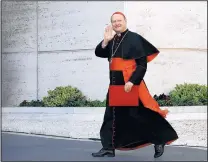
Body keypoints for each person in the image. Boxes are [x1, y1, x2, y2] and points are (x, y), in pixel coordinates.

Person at [92, 11, 178, 158]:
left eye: (119, 20)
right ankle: (108, 147)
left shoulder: (135, 39)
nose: (117, 23)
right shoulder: (111, 39)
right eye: (114, 21)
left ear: (125, 21)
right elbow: (99, 53)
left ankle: (160, 139)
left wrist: (132, 81)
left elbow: (142, 65)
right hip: (114, 84)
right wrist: (105, 41)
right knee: (110, 116)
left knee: (138, 115)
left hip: (128, 84)